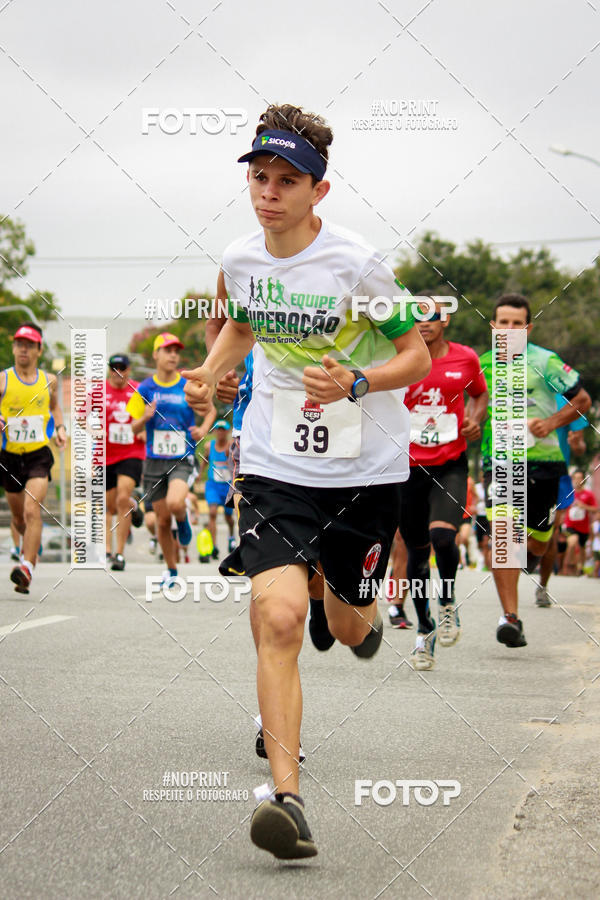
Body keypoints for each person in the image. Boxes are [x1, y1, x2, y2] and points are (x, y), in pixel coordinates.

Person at [182, 103, 430, 860]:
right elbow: (244, 325)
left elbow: (414, 356)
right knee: (280, 618)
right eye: (260, 177)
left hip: (363, 471)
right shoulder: (241, 258)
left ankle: (351, 605)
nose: (269, 192)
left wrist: (358, 381)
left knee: (346, 626)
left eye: (287, 180)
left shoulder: (356, 264)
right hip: (273, 467)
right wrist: (209, 373)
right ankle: (286, 800)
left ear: (318, 190)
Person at [479, 294, 591, 647]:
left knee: (537, 544)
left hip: (543, 463)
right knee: (504, 534)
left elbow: (583, 400)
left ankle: (536, 547)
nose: (509, 329)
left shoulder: (546, 361)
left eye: (517, 324)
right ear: (493, 326)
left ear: (527, 328)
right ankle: (510, 616)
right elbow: (471, 407)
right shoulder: (482, 365)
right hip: (499, 460)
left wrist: (552, 422)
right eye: (503, 322)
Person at [399, 295, 488, 670]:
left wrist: (475, 419)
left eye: (431, 316)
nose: (423, 324)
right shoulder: (398, 357)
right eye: (416, 317)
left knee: (443, 538)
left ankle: (448, 602)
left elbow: (479, 395)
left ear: (445, 319)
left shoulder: (465, 358)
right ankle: (424, 630)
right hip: (406, 468)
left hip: (450, 463)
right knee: (417, 556)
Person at [126, 333, 206, 587]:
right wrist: (146, 417)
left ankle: (182, 520)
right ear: (156, 354)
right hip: (154, 460)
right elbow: (132, 429)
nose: (173, 355)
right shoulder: (145, 388)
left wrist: (203, 428)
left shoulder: (187, 383)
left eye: (176, 351)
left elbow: (210, 408)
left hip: (182, 457)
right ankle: (171, 571)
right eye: (167, 350)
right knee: (160, 520)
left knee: (175, 503)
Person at [0, 323, 67, 593]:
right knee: (19, 519)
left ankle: (27, 567)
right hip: (9, 456)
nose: (23, 349)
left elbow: (54, 408)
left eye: (29, 345)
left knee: (32, 509)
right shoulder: (3, 379)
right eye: (19, 344)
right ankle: (26, 546)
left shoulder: (48, 380)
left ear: (39, 349)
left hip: (39, 455)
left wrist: (60, 428)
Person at [535, 399, 588, 604]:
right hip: (521, 471)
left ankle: (543, 586)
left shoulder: (569, 400)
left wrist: (577, 444)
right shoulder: (521, 390)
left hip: (557, 476)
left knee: (552, 533)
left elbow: (581, 447)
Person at [102, 354, 145, 570]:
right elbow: (83, 418)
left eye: (122, 367)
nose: (118, 372)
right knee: (109, 506)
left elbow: (151, 414)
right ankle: (133, 506)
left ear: (128, 369)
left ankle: (118, 553)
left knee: (121, 498)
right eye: (114, 367)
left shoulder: (138, 390)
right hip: (107, 454)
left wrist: (144, 430)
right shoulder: (99, 392)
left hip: (131, 452)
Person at [198, 419, 235, 557]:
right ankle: (214, 546)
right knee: (212, 513)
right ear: (214, 432)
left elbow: (236, 461)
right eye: (217, 430)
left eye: (223, 430)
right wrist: (200, 473)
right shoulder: (209, 445)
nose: (220, 432)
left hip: (227, 486)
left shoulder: (231, 446)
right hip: (213, 484)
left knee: (228, 516)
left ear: (227, 432)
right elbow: (205, 460)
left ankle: (231, 536)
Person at [562, 468, 598, 576]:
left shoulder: (588, 494)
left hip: (583, 527)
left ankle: (580, 568)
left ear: (583, 480)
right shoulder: (568, 494)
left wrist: (584, 506)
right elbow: (561, 507)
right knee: (573, 542)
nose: (577, 480)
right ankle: (566, 567)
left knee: (582, 547)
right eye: (575, 478)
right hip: (569, 525)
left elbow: (595, 509)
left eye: (580, 478)